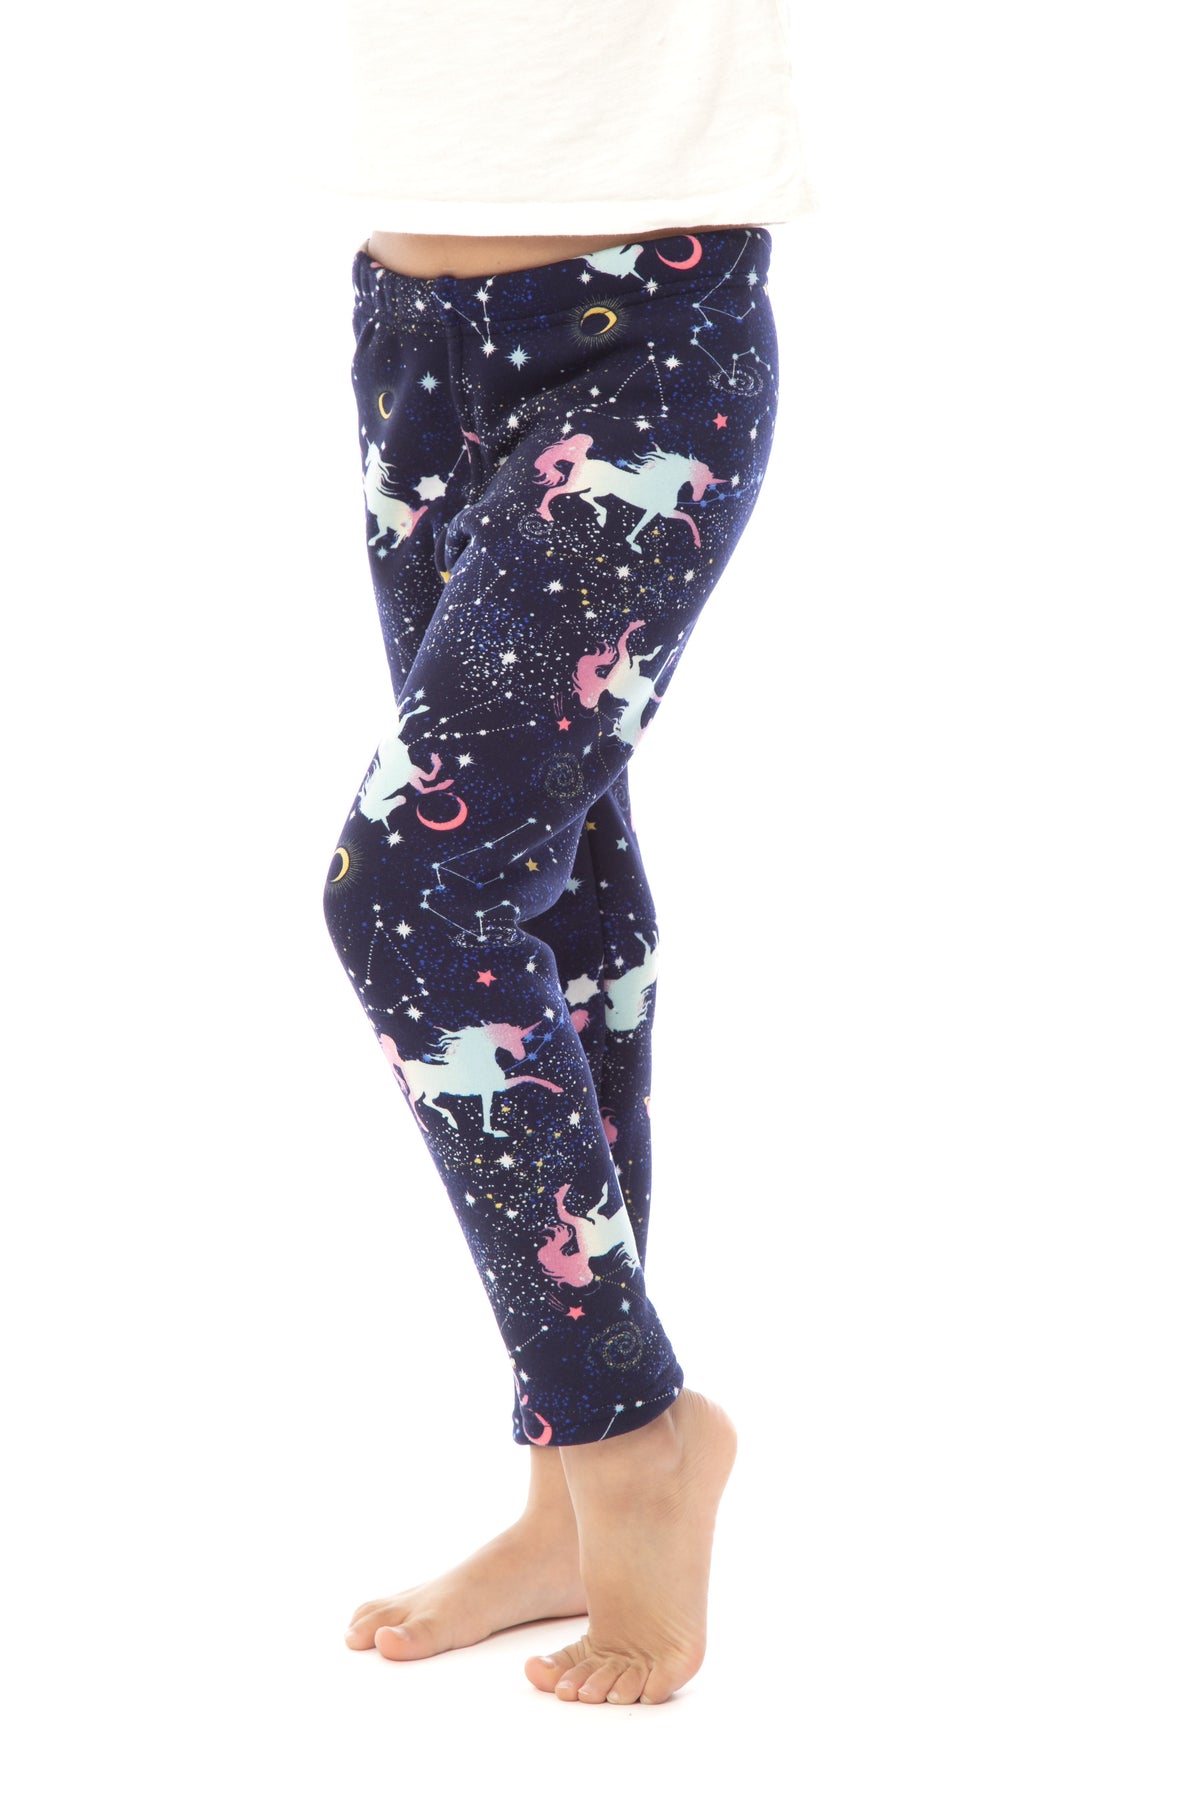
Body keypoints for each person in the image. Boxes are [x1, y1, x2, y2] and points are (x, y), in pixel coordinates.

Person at [320, 0, 817, 1705]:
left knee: (414, 891)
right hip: (410, 331)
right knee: (553, 883)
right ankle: (566, 1500)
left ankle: (632, 1442)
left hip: (646, 334)